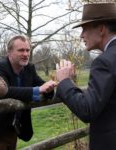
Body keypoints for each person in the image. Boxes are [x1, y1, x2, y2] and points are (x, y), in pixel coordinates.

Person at [55, 3, 116, 150]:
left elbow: (87, 110)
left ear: (101, 29)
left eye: (84, 28)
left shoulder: (104, 62)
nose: (81, 35)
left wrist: (64, 81)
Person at [0, 35, 56, 150]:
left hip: (16, 128)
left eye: (27, 50)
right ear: (9, 52)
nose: (25, 54)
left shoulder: (29, 68)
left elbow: (43, 86)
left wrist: (49, 89)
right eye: (21, 50)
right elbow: (5, 90)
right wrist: (37, 90)